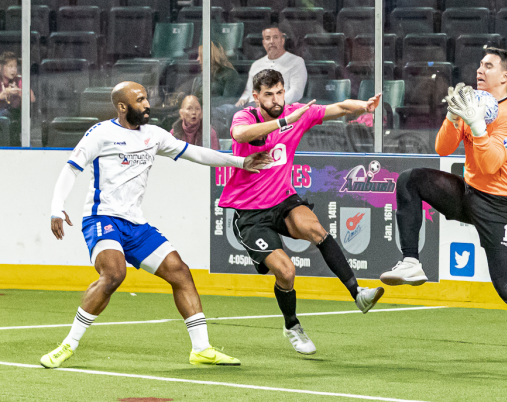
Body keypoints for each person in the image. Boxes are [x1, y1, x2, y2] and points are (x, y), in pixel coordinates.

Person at [40, 81, 272, 369]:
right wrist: (56, 208)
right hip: (102, 218)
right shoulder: (100, 134)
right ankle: (67, 345)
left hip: (137, 225)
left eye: (147, 98)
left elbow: (195, 153)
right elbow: (70, 170)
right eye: (140, 100)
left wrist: (240, 162)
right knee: (113, 274)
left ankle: (201, 349)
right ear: (123, 107)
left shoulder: (154, 135)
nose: (147, 104)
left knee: (181, 273)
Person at [379, 48, 507, 366]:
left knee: (506, 286)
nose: (479, 69)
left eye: (488, 65)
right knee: (410, 179)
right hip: (469, 193)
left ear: (505, 76)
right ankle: (411, 261)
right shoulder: (474, 102)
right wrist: (452, 116)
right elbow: (442, 148)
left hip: (501, 207)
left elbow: (491, 165)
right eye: (479, 64)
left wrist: (477, 126)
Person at [219, 69, 383, 355]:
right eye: (268, 95)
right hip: (250, 213)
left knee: (317, 230)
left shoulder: (297, 112)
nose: (276, 99)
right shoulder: (246, 117)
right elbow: (239, 134)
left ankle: (358, 294)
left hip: (283, 199)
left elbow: (340, 107)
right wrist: (284, 121)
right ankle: (292, 325)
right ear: (256, 97)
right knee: (286, 271)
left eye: (279, 92)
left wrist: (364, 106)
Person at [235, 26, 307, 108]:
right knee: (225, 110)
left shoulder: (296, 62)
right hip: (253, 107)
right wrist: (242, 100)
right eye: (268, 38)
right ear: (263, 42)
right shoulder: (256, 64)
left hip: (280, 109)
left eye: (275, 37)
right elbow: (249, 91)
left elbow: (296, 92)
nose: (271, 42)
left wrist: (272, 103)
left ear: (282, 40)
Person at [0, 51, 36, 145]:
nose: (13, 70)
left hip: (14, 114)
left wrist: (22, 91)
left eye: (15, 67)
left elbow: (32, 99)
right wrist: (4, 94)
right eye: (10, 66)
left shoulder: (19, 80)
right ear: (1, 67)